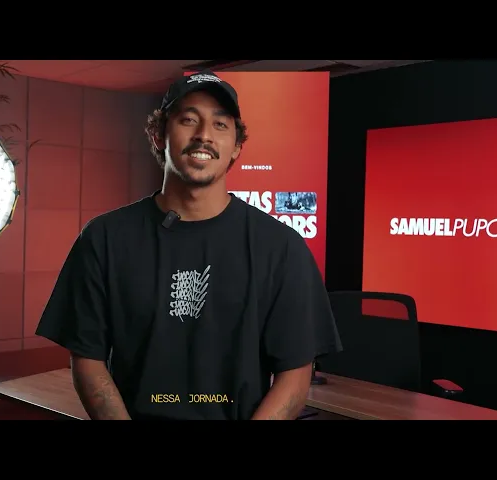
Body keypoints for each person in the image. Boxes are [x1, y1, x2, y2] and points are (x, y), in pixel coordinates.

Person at [35, 70, 342, 420]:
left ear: (236, 146)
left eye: (220, 125)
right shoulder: (104, 239)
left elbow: (295, 374)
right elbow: (87, 360)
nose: (204, 135)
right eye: (188, 120)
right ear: (158, 135)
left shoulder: (281, 248)